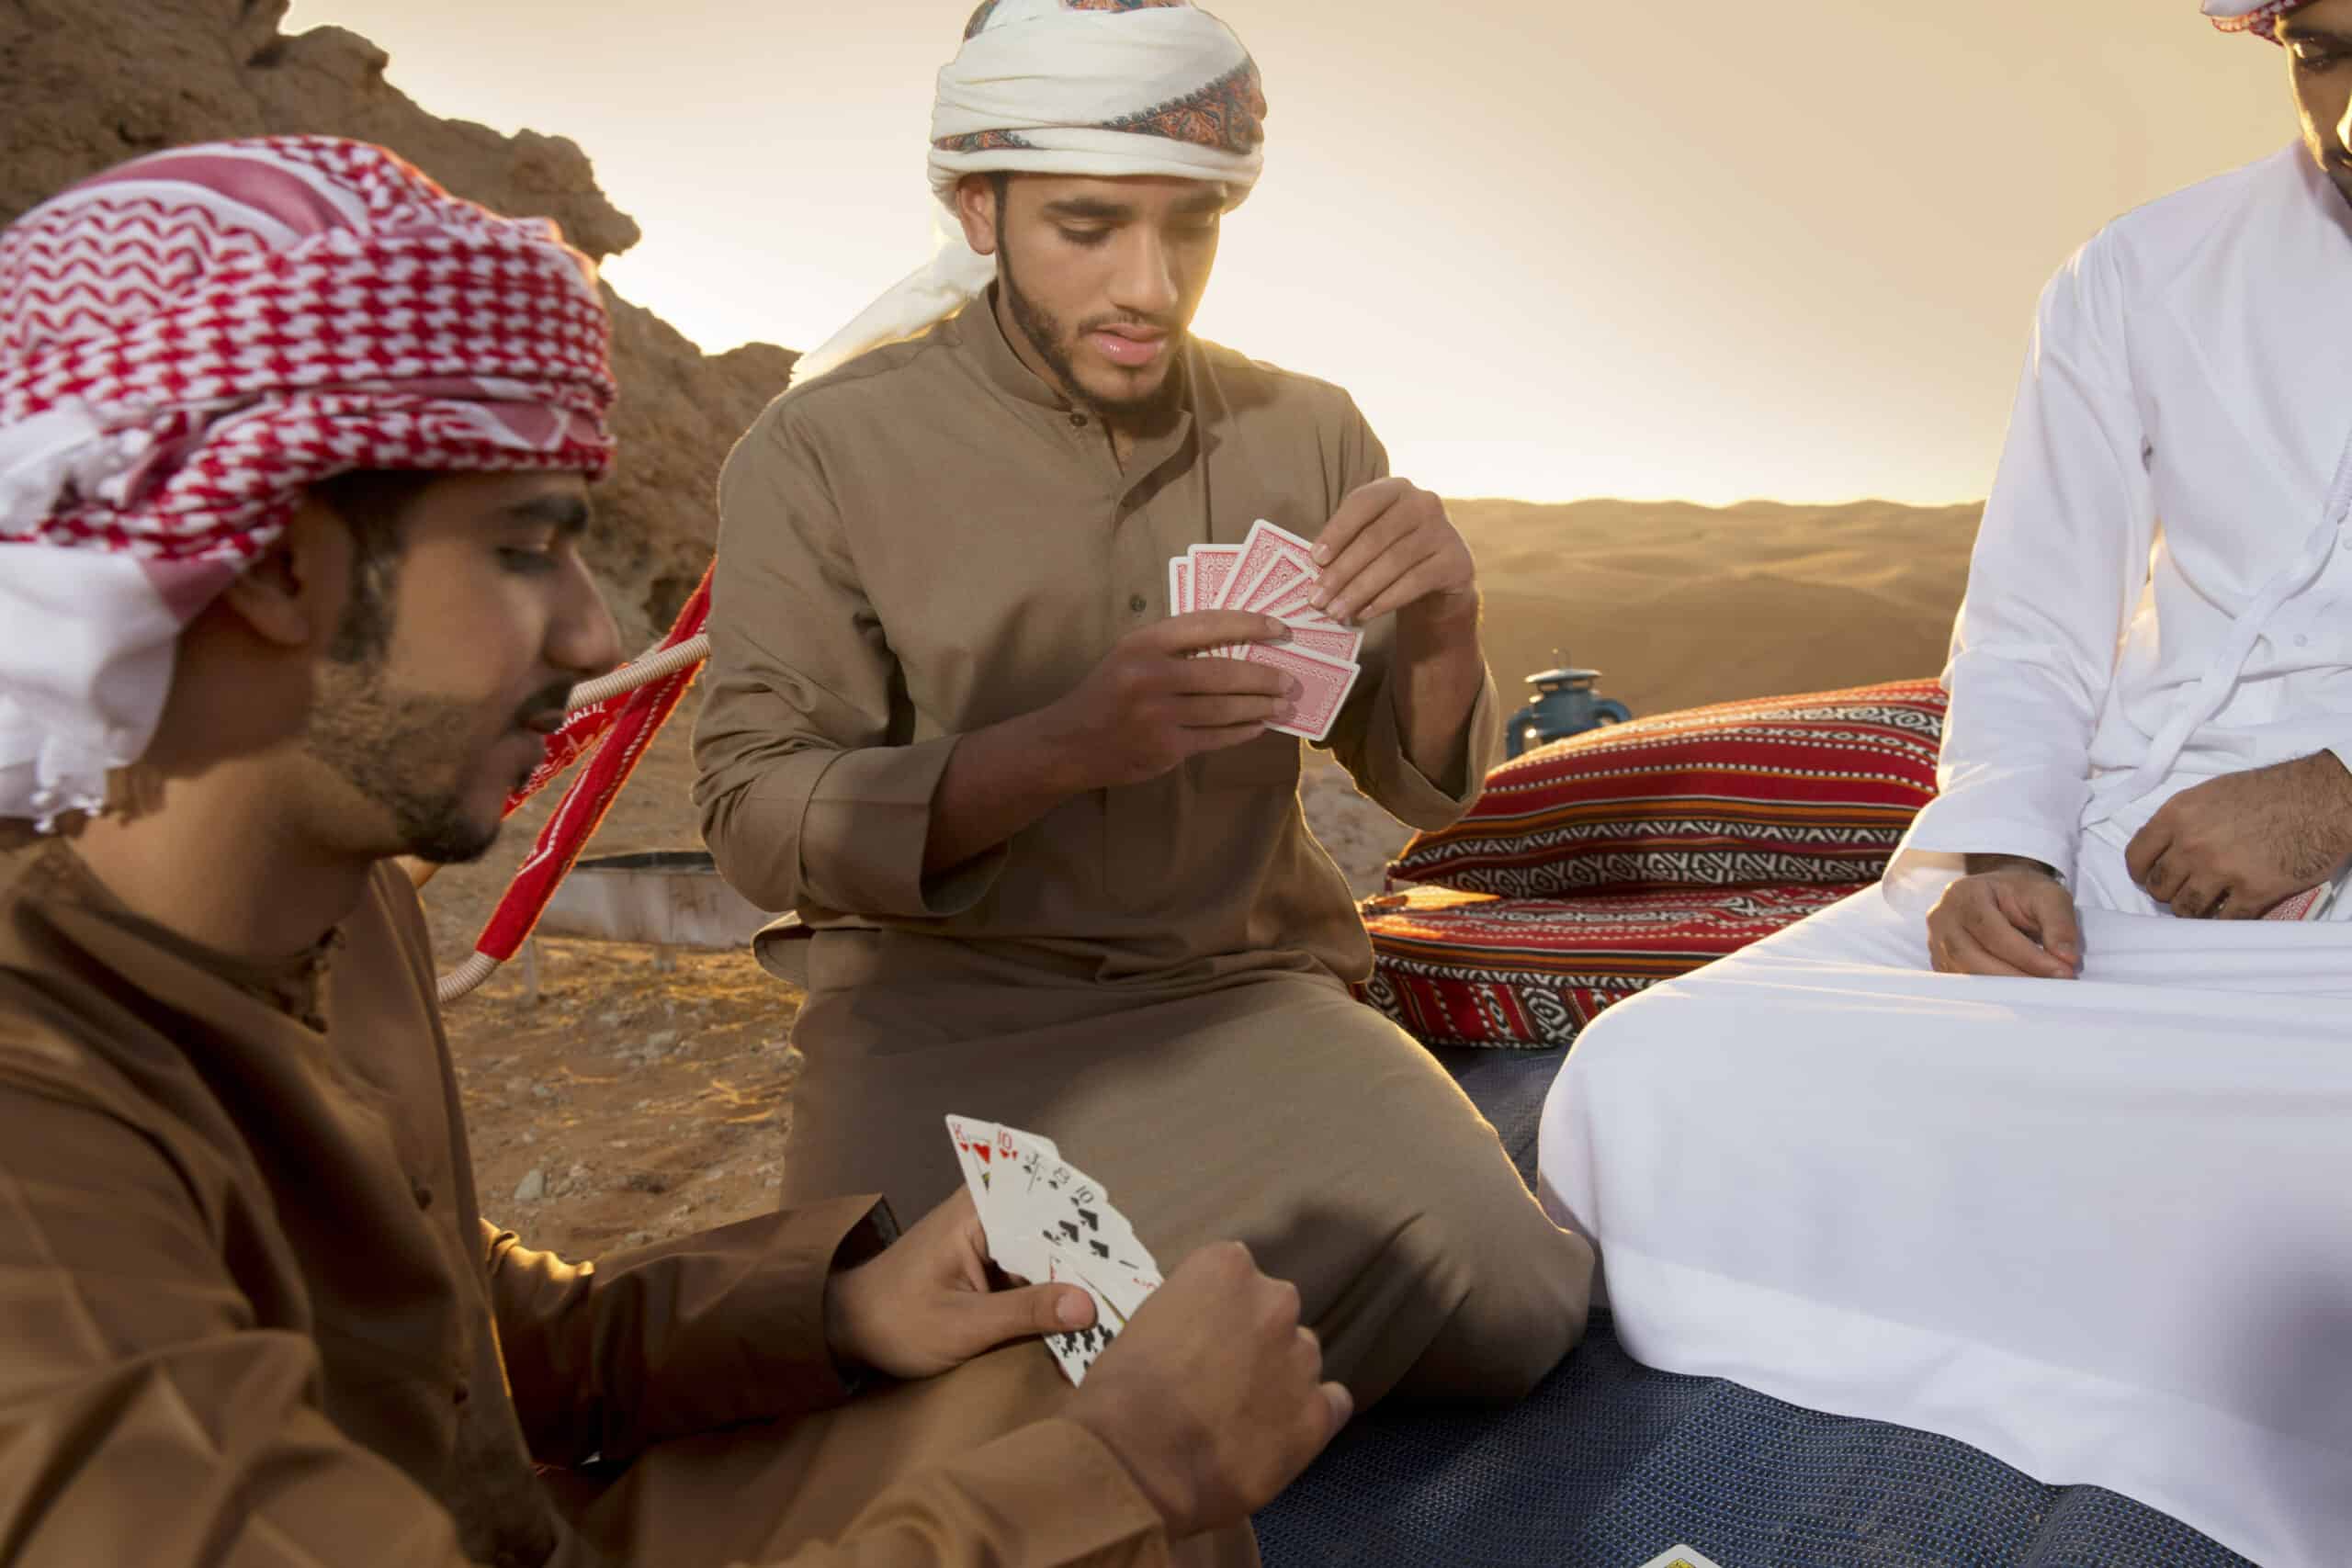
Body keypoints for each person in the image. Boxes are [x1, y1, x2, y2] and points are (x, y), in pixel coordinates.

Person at [0, 135, 1349, 1568]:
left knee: (1035, 1379)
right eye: (525, 549)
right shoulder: (36, 1147)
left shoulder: (333, 889)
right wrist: (1117, 1472)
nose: (596, 639)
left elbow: (442, 1332)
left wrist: (832, 1306)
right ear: (270, 562)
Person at [1535, 6, 2352, 1566]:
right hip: (2122, 877)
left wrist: (2339, 793)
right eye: (2322, 50)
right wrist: (2003, 851)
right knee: (1653, 1074)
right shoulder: (2141, 272)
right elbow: (2040, 621)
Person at [694, 0, 1591, 1409]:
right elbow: (754, 812)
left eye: (1192, 230)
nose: (1151, 287)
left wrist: (1445, 620)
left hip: (1236, 989)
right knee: (914, 1381)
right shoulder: (821, 450)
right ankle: (1130, 1415)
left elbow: (1420, 785)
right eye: (1091, 226)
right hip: (944, 1015)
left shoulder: (1307, 429)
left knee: (1510, 1292)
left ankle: (1138, 1418)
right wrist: (1057, 751)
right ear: (978, 207)